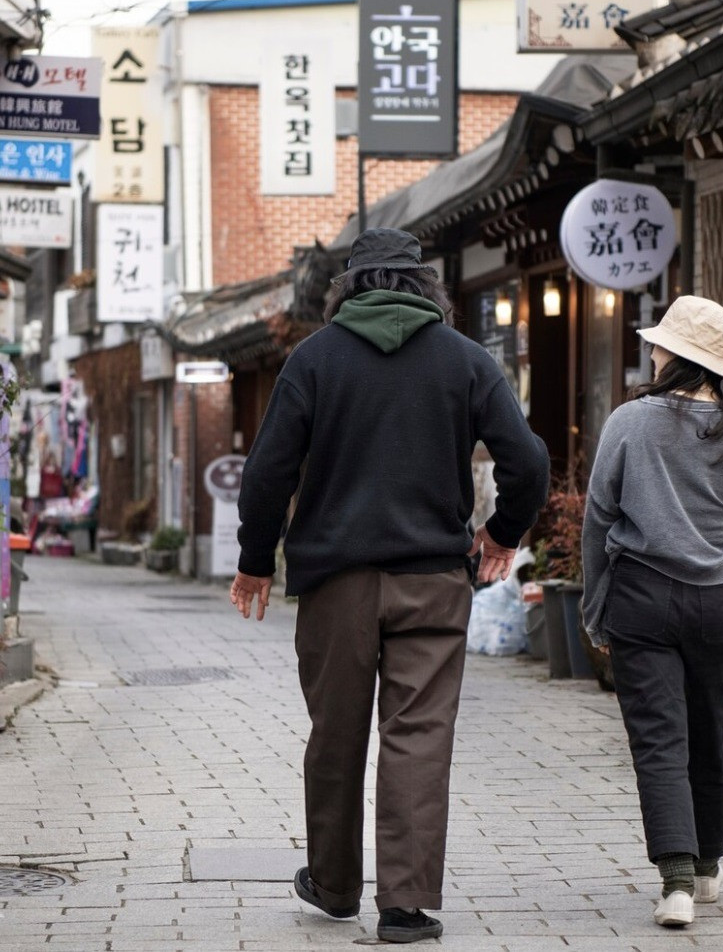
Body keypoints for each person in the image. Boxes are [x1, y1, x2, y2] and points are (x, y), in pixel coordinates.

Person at [229, 227, 549, 944]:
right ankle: (404, 905)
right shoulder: (466, 362)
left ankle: (337, 887)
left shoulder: (313, 361)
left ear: (346, 290)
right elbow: (527, 461)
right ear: (427, 290)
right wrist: (503, 533)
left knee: (336, 733)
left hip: (335, 582)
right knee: (419, 735)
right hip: (433, 578)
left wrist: (255, 559)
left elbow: (268, 472)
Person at [580, 294, 723, 929]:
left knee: (658, 739)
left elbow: (599, 519)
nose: (650, 351)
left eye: (658, 345)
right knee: (711, 728)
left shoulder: (630, 422)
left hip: (641, 595)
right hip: (720, 601)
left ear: (674, 358)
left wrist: (595, 609)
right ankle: (706, 868)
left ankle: (674, 881)